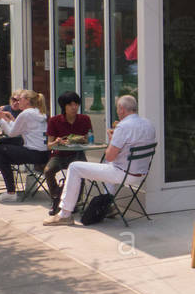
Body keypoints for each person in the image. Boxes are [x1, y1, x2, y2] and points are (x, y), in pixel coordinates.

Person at [43, 95, 155, 225]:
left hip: (123, 173)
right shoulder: (148, 123)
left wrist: (112, 138)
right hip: (141, 174)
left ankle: (65, 214)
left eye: (118, 109)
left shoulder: (123, 127)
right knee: (107, 164)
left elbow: (109, 156)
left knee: (74, 167)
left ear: (122, 109)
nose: (117, 112)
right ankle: (108, 205)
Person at [0, 90, 49, 201]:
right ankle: (9, 191)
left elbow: (11, 133)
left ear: (27, 101)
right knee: (1, 156)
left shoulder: (26, 113)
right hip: (42, 153)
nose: (18, 102)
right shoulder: (37, 113)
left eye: (20, 99)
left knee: (0, 149)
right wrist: (5, 119)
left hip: (35, 153)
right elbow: (17, 130)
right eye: (16, 99)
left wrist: (0, 118)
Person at [44, 90, 92, 215]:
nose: (74, 107)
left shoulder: (84, 119)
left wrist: (83, 140)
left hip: (77, 154)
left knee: (81, 170)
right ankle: (56, 197)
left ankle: (76, 201)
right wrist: (57, 142)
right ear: (63, 106)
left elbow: (89, 139)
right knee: (48, 170)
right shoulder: (54, 121)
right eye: (70, 104)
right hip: (59, 155)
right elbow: (49, 146)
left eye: (76, 104)